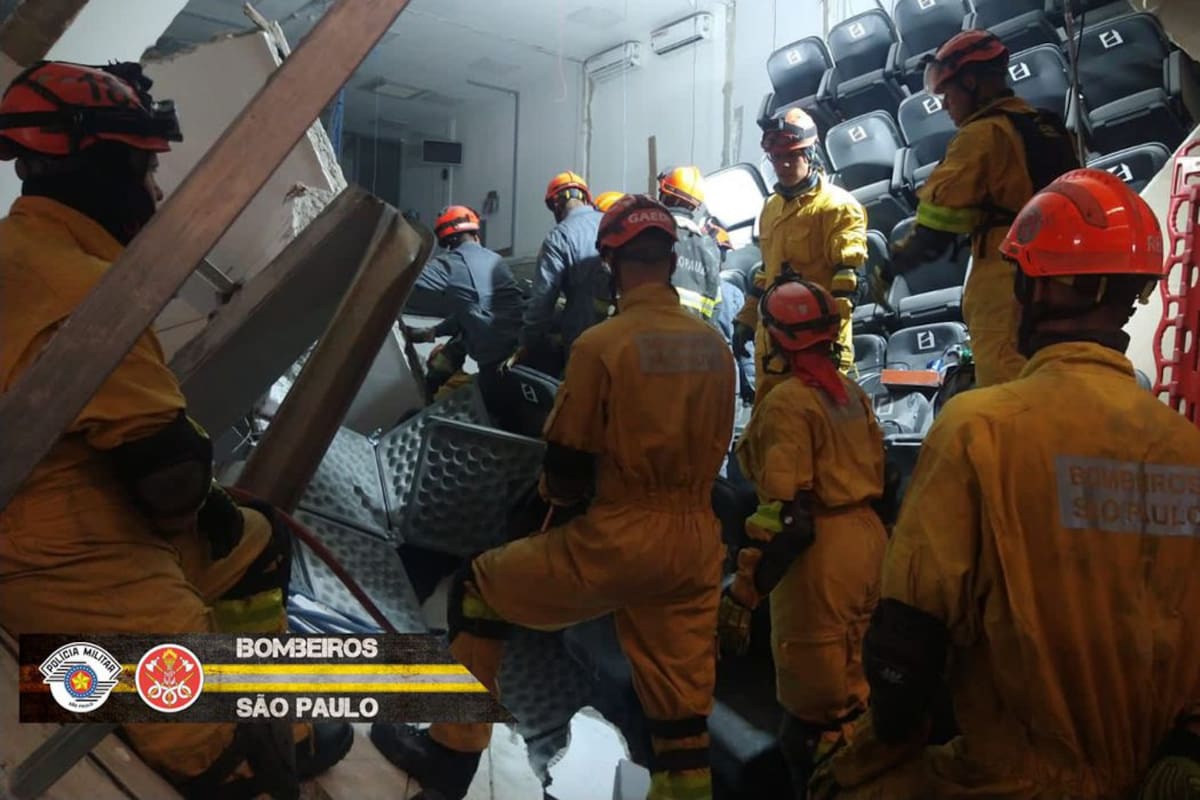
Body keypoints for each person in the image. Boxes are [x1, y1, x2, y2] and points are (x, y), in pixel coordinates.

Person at [0, 61, 351, 797]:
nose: (155, 194)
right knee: (233, 759)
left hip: (39, 512)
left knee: (253, 535)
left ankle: (260, 686)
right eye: (144, 170)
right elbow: (170, 476)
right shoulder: (83, 290)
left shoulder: (20, 253)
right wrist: (204, 498)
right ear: (100, 169)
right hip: (62, 562)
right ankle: (246, 735)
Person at [811, 169, 1200, 799]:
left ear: (1034, 290)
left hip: (1007, 778)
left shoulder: (979, 427)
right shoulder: (1187, 450)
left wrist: (878, 752)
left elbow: (906, 640)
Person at [370, 195, 735, 800]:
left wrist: (544, 515)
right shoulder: (716, 352)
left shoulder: (603, 345)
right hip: (696, 544)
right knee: (679, 711)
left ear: (611, 265)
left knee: (481, 587)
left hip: (623, 535)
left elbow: (566, 463)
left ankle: (450, 756)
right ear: (671, 262)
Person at [718, 276, 887, 797]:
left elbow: (788, 516)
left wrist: (746, 593)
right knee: (858, 693)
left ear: (776, 338)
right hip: (868, 543)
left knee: (815, 716)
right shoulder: (852, 395)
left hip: (821, 562)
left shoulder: (789, 402)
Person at [878, 30, 1080, 388]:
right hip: (1063, 286)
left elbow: (936, 228)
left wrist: (891, 268)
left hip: (1008, 292)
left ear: (971, 83)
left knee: (1010, 403)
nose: (944, 105)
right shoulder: (1046, 126)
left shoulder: (981, 136)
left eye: (948, 93)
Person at [735, 107, 867, 402]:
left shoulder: (837, 207)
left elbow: (848, 281)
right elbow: (764, 273)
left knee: (818, 430)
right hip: (772, 349)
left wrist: (831, 346)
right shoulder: (770, 208)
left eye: (790, 156)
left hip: (816, 348)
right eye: (776, 158)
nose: (782, 165)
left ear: (810, 154)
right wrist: (746, 320)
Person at [409, 205, 523, 425]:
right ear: (475, 233)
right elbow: (474, 308)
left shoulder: (451, 264)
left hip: (495, 368)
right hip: (518, 358)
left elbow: (406, 276)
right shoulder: (495, 260)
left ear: (447, 242)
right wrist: (433, 332)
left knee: (491, 424)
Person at [518, 171, 608, 376]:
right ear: (585, 197)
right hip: (621, 335)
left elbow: (542, 300)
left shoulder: (560, 237)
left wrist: (527, 343)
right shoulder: (611, 223)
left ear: (556, 205)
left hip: (583, 338)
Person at [658, 166, 724, 325]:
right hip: (693, 338)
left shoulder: (653, 234)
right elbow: (715, 305)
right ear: (695, 206)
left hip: (650, 334)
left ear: (665, 194)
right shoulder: (710, 247)